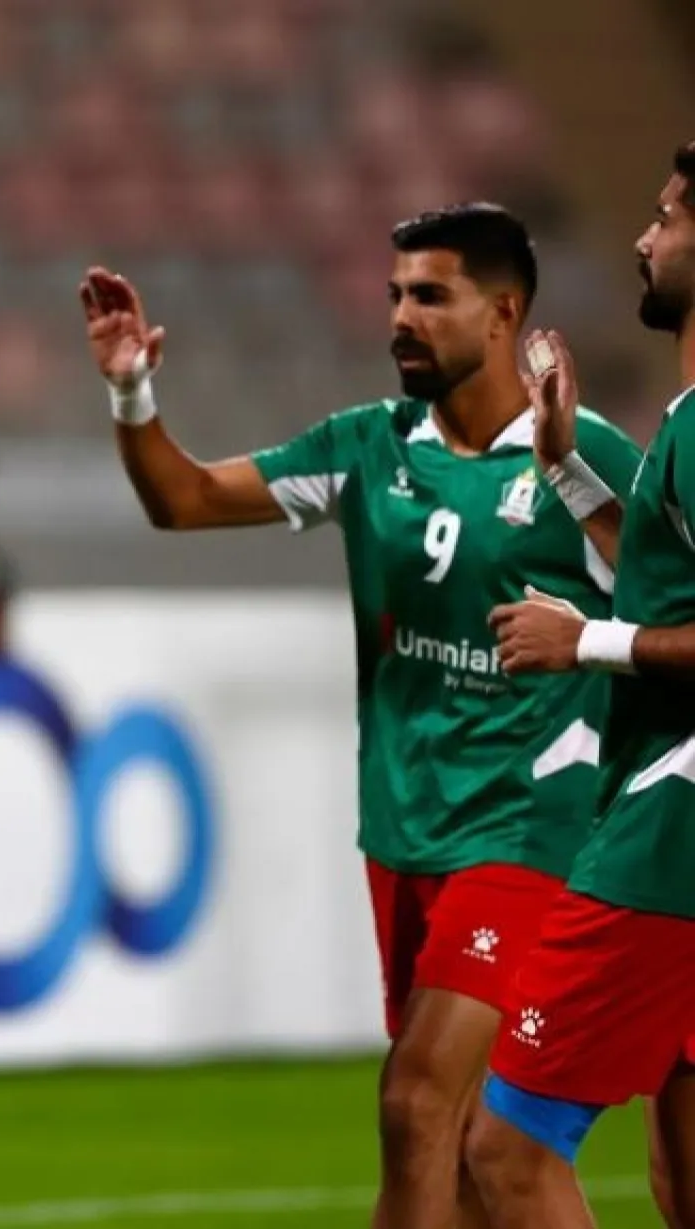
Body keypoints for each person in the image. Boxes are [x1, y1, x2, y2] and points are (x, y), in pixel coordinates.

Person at [79, 203, 642, 1229]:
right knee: (464, 1154)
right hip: (403, 832)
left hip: (531, 834)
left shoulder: (578, 455)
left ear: (502, 312)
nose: (399, 317)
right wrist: (130, 390)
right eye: (394, 295)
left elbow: (671, 609)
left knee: (414, 1100)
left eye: (429, 296)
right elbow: (184, 499)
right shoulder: (367, 445)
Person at [467, 142, 695, 1229]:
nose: (644, 238)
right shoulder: (684, 421)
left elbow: (634, 623)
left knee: (507, 1147)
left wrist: (584, 642)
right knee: (684, 1175)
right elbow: (664, 584)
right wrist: (562, 461)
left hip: (671, 826)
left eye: (668, 217)